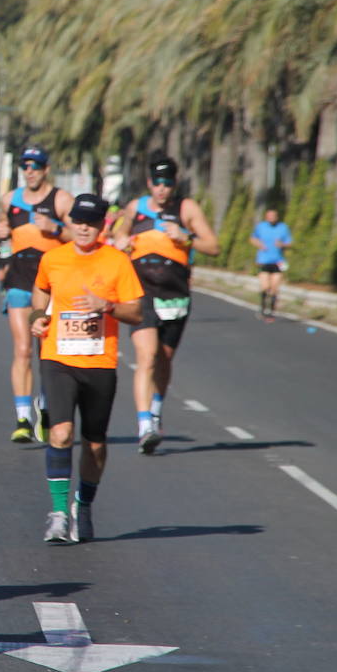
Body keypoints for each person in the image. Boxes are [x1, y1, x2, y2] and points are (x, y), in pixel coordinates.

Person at [29, 194, 143, 543]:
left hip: (100, 362)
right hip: (58, 358)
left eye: (91, 223)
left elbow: (135, 312)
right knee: (61, 434)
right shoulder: (53, 258)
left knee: (95, 445)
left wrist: (106, 306)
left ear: (101, 226)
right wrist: (37, 318)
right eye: (78, 220)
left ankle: (84, 505)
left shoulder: (117, 261)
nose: (83, 227)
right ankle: (59, 514)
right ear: (70, 222)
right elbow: (40, 293)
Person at [112, 153, 219, 453]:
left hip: (174, 294)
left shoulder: (187, 209)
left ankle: (156, 409)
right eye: (157, 183)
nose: (162, 189)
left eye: (167, 183)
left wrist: (185, 237)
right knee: (146, 357)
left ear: (174, 184)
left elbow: (213, 246)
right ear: (149, 183)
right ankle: (145, 424)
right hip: (141, 291)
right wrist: (121, 239)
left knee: (164, 359)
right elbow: (119, 232)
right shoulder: (136, 208)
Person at [0, 147, 72, 443]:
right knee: (23, 350)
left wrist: (55, 228)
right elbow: (2, 231)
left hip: (51, 283)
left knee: (46, 352)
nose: (30, 170)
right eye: (25, 165)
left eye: (36, 165)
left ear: (46, 168)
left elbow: (78, 234)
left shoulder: (61, 199)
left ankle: (46, 406)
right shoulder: (9, 200)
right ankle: (23, 417)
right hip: (18, 279)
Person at [251, 208, 292, 321]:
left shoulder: (283, 227)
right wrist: (259, 245)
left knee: (274, 288)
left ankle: (272, 310)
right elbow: (253, 239)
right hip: (264, 260)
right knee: (265, 287)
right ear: (266, 217)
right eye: (269, 216)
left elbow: (289, 243)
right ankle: (263, 308)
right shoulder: (261, 226)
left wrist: (282, 244)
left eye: (273, 216)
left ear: (277, 217)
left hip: (278, 261)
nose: (271, 218)